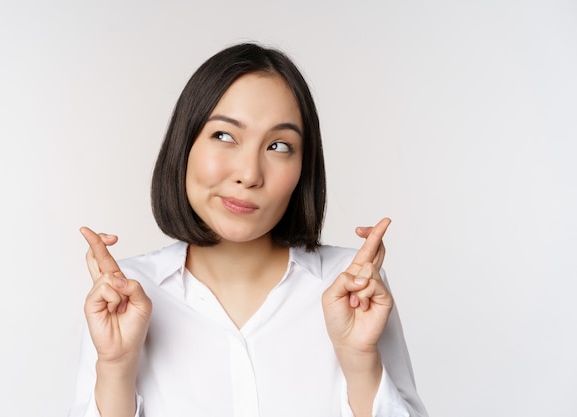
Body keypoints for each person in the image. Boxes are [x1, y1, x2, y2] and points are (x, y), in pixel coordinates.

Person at [70, 43, 428, 417]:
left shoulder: (351, 289)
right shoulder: (126, 294)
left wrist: (360, 362)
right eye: (224, 136)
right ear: (184, 143)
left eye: (278, 146)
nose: (249, 174)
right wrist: (115, 367)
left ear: (303, 169)